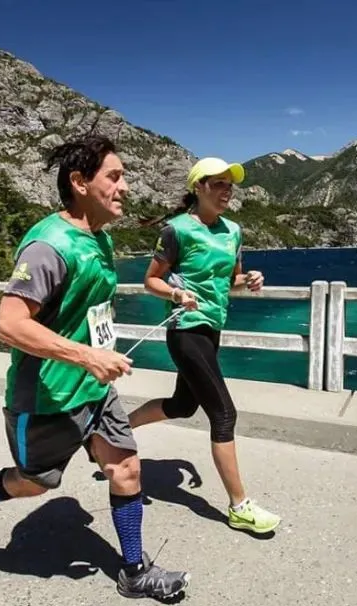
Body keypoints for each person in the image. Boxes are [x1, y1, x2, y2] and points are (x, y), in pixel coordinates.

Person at [0, 135, 189, 601]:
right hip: (47, 396)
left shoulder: (100, 237)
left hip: (95, 389)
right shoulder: (48, 247)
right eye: (114, 176)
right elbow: (9, 325)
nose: (126, 187)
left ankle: (134, 570)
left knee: (127, 469)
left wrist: (174, 294)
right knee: (35, 484)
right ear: (79, 182)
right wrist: (87, 355)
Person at [128, 157, 281, 535]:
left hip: (212, 328)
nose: (227, 190)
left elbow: (229, 282)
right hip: (185, 329)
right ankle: (240, 507)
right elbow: (151, 281)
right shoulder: (176, 231)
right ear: (199, 187)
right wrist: (177, 294)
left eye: (230, 185)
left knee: (182, 405)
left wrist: (251, 279)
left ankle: (115, 431)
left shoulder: (233, 231)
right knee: (224, 414)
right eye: (218, 184)